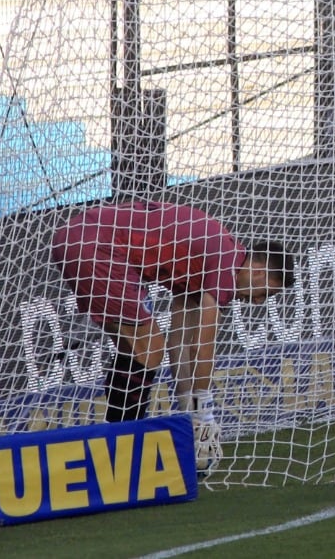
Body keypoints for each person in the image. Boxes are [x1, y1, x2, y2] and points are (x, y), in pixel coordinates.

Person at [50, 199, 293, 472]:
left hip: (76, 238)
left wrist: (187, 407)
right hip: (98, 247)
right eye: (267, 293)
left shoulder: (206, 261)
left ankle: (113, 444)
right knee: (149, 349)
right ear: (258, 272)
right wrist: (205, 413)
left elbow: (180, 344)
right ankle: (119, 450)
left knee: (135, 351)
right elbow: (203, 346)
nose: (259, 302)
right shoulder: (227, 265)